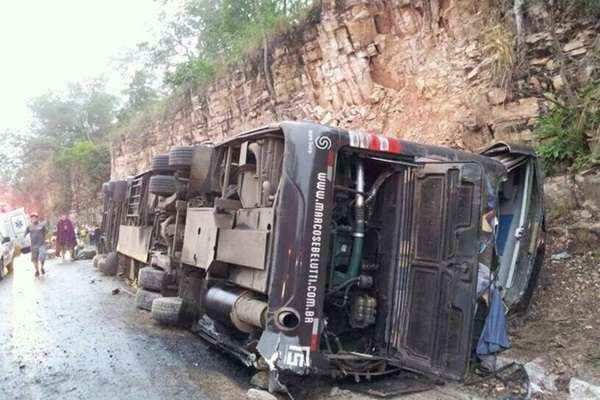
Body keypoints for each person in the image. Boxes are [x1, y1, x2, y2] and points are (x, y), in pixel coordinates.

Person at [25, 212, 47, 278]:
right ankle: (37, 271)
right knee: (34, 259)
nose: (33, 219)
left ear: (37, 218)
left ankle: (42, 267)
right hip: (33, 246)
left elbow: (46, 232)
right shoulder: (29, 226)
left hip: (41, 244)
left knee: (42, 258)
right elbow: (25, 234)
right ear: (31, 219)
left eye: (35, 217)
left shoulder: (42, 225)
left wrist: (45, 239)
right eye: (32, 218)